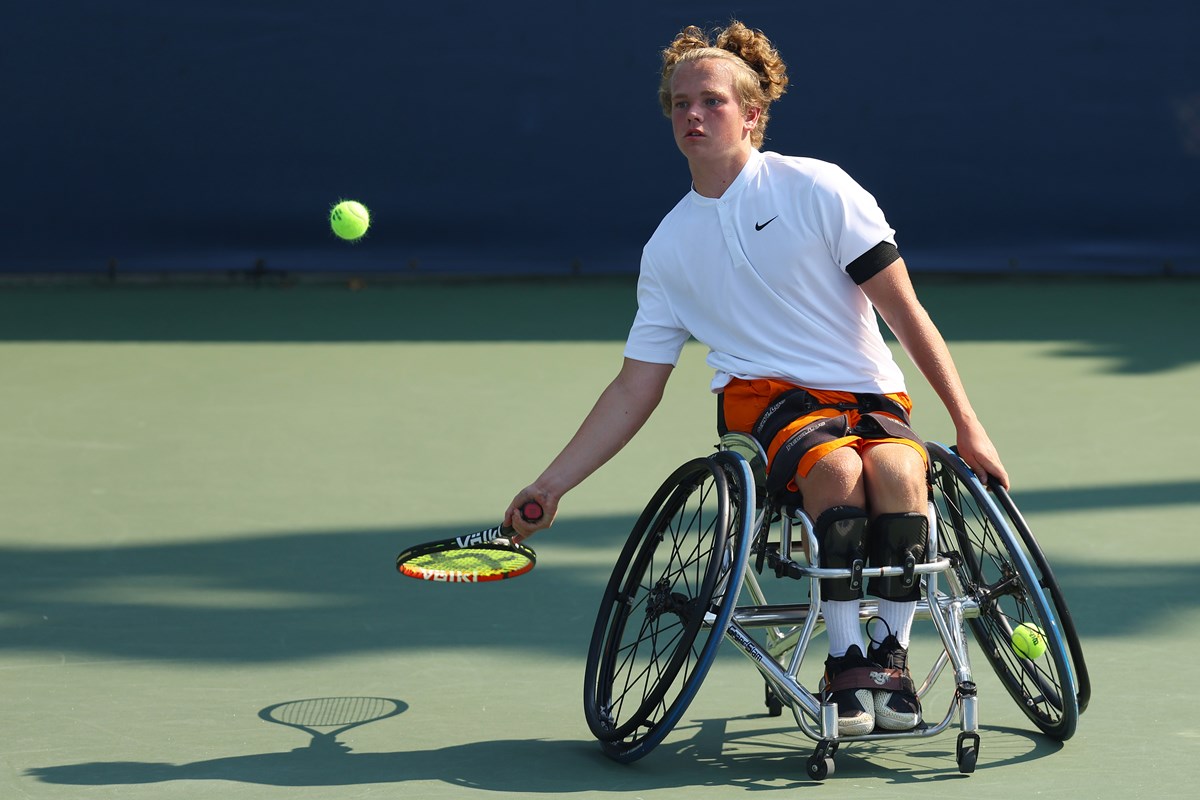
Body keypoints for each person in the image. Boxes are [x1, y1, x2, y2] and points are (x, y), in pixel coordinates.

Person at [504, 21, 1008, 736]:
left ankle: (890, 658)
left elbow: (906, 312)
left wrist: (968, 424)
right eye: (679, 104)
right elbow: (632, 389)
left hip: (867, 395)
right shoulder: (669, 247)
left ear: (752, 114)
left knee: (900, 469)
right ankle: (845, 664)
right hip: (762, 404)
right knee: (833, 472)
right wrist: (552, 484)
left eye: (710, 101)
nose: (692, 116)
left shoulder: (821, 189)